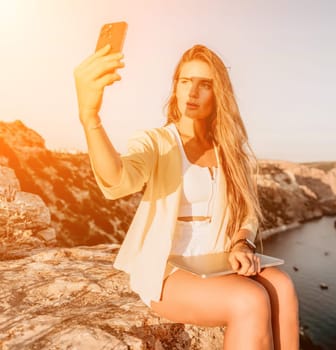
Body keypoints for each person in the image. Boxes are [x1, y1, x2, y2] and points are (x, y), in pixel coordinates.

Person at [74, 43, 299, 349]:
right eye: (185, 81)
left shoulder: (230, 152)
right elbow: (118, 180)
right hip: (167, 268)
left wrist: (241, 241)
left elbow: (246, 211)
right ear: (175, 87)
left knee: (283, 286)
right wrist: (90, 117)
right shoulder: (157, 141)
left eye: (204, 84)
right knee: (250, 300)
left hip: (217, 260)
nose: (192, 92)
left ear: (219, 93)